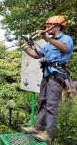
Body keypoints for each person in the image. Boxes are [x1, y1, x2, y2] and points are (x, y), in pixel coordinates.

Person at [17, 15, 73, 143]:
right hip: (47, 75)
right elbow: (36, 55)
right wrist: (24, 47)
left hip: (58, 76)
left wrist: (48, 38)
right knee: (42, 101)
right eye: (46, 27)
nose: (46, 29)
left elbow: (65, 48)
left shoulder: (65, 39)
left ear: (57, 27)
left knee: (52, 104)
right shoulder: (48, 44)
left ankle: (48, 133)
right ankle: (37, 127)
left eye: (49, 26)